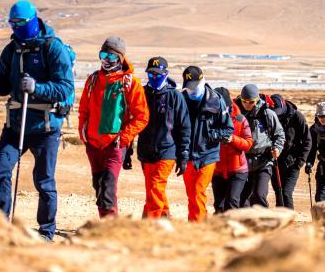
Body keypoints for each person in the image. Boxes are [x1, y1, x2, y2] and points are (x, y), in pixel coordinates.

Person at [0, 0, 74, 240]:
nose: (16, 27)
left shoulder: (53, 48)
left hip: (45, 128)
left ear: (32, 21)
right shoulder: (11, 50)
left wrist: (36, 88)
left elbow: (65, 87)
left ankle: (46, 231)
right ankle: (0, 226)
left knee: (44, 181)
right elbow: (4, 83)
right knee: (1, 172)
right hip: (15, 126)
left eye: (20, 23)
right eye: (12, 23)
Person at [78, 36, 149, 218]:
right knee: (99, 186)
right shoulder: (93, 80)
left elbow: (142, 117)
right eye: (103, 55)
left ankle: (111, 227)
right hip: (93, 144)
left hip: (115, 145)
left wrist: (124, 137)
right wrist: (83, 132)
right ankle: (105, 223)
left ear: (121, 58)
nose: (106, 60)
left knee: (108, 186)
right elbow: (84, 110)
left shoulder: (130, 83)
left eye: (111, 56)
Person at [134, 56, 190, 218]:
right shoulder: (141, 93)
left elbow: (184, 127)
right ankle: (164, 217)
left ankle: (153, 223)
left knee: (156, 187)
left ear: (166, 74)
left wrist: (184, 154)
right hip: (145, 151)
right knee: (152, 189)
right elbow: (132, 121)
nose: (154, 77)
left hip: (167, 151)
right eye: (151, 74)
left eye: (157, 74)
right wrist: (128, 148)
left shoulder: (175, 96)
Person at [181, 66, 233, 221]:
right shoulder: (181, 98)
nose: (191, 90)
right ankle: (196, 223)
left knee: (198, 191)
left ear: (202, 81)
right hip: (187, 155)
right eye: (189, 87)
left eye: (194, 87)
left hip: (207, 154)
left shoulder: (216, 100)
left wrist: (211, 134)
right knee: (191, 193)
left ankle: (198, 226)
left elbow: (228, 128)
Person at [236, 84, 284, 208]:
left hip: (264, 161)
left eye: (251, 102)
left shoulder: (267, 114)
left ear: (257, 100)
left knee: (259, 195)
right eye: (244, 101)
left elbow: (279, 135)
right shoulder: (237, 114)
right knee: (241, 199)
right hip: (242, 162)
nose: (247, 104)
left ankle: (262, 219)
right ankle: (246, 220)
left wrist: (277, 149)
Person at [212, 87, 252, 213]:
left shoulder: (240, 119)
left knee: (232, 202)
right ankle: (219, 226)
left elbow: (248, 143)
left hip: (238, 170)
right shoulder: (210, 118)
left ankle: (233, 225)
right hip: (217, 169)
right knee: (219, 206)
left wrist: (232, 139)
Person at [269, 94, 312, 209]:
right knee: (278, 193)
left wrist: (300, 162)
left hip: (293, 163)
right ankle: (280, 218)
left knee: (286, 193)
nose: (277, 115)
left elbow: (307, 141)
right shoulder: (270, 116)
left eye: (278, 112)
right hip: (276, 162)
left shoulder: (297, 117)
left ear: (284, 106)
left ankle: (290, 218)